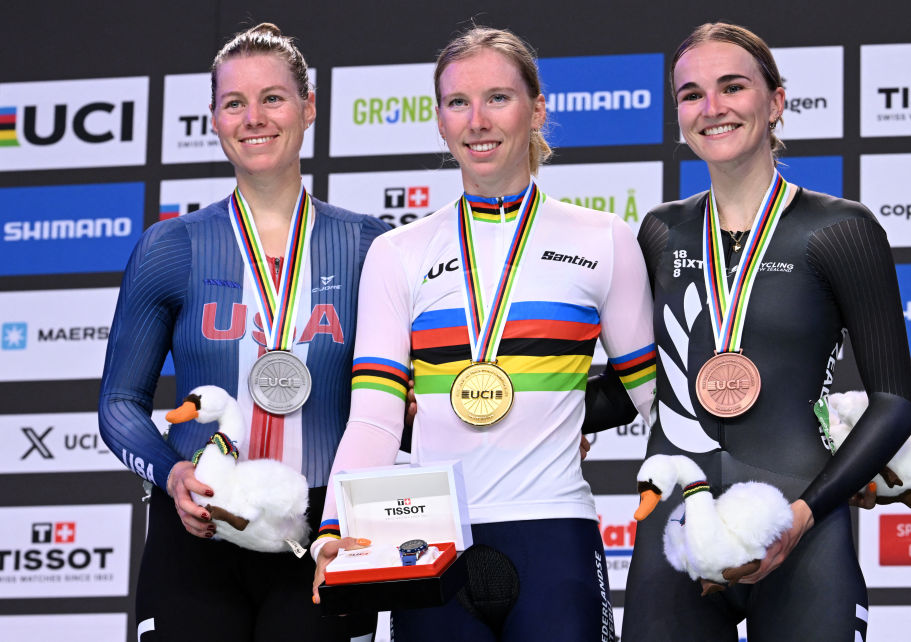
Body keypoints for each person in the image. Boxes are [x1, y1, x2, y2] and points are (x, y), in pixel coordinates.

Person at [310, 26, 656, 641]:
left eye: (498, 97)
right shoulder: (397, 252)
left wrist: (558, 414)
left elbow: (641, 390)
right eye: (457, 103)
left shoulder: (602, 238)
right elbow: (375, 415)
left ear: (537, 109)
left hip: (553, 530)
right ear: (440, 121)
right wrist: (335, 525)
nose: (478, 120)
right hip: (428, 535)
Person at [589, 22, 911, 641]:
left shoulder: (840, 230)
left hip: (803, 524)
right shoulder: (660, 233)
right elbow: (634, 386)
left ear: (775, 102)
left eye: (732, 87)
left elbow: (894, 404)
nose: (711, 108)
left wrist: (801, 515)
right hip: (676, 533)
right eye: (691, 94)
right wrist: (522, 411)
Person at [98, 23, 388, 642]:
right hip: (197, 522)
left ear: (309, 108)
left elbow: (406, 396)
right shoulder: (171, 248)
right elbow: (119, 403)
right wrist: (171, 476)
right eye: (235, 103)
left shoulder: (371, 246)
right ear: (214, 119)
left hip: (325, 529)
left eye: (273, 98)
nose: (253, 118)